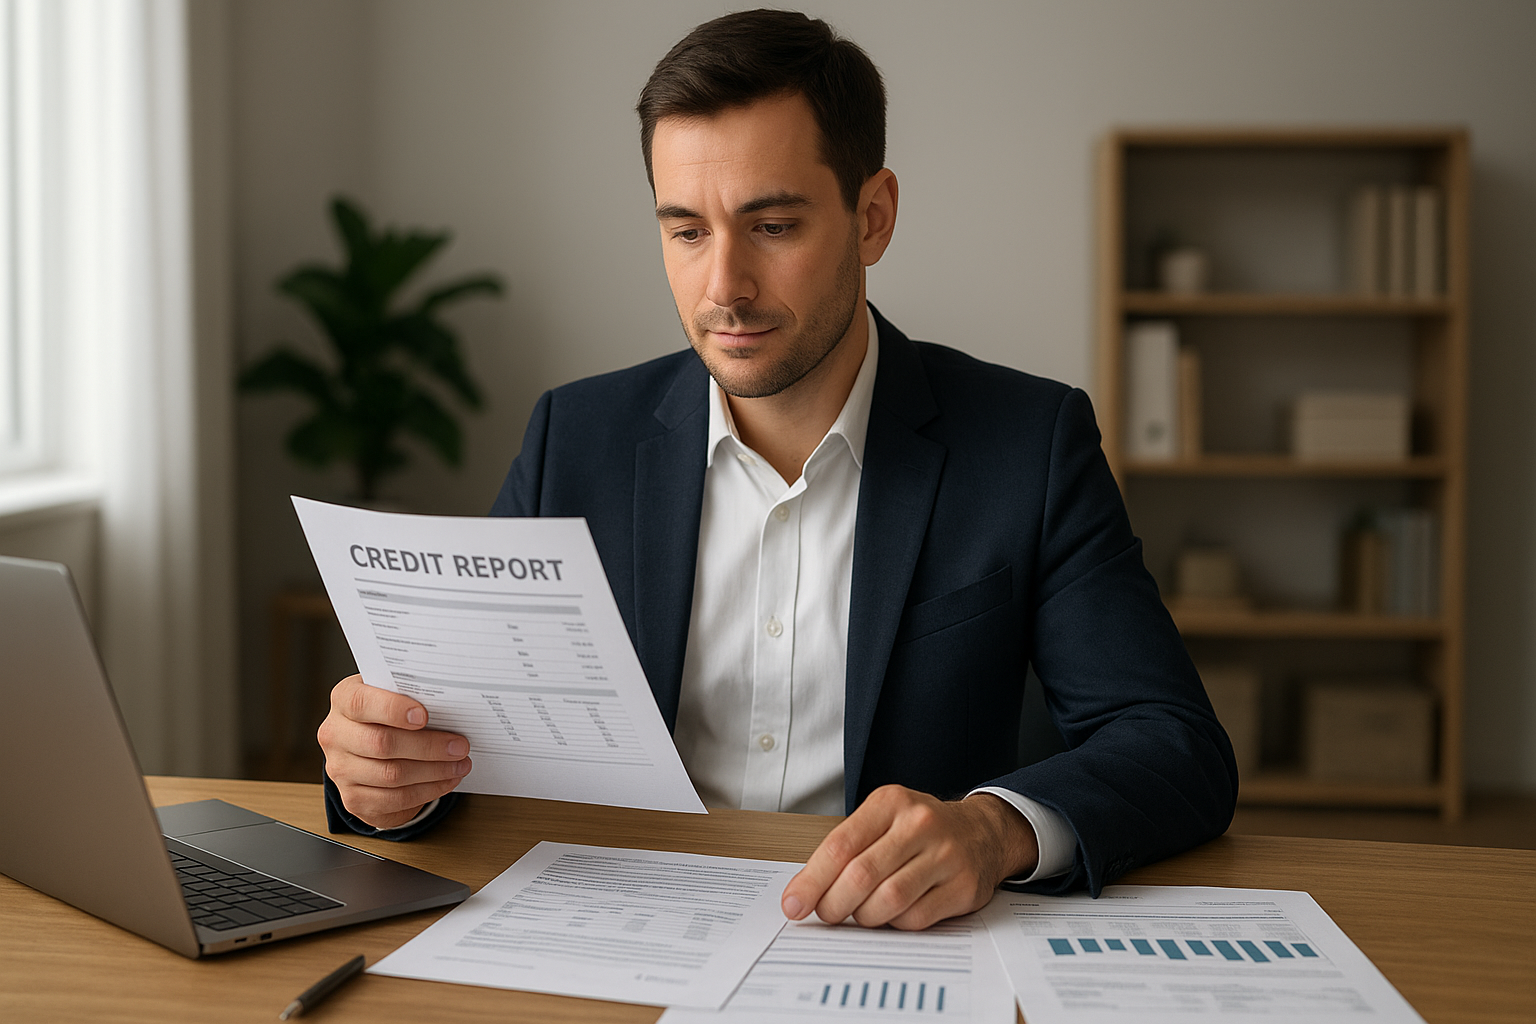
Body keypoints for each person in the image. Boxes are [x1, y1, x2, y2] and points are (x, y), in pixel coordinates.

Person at [317, 9, 1236, 931]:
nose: (724, 287)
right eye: (686, 231)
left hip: (894, 948)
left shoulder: (1029, 444)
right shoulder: (574, 437)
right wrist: (389, 778)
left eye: (773, 225)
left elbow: (1173, 745)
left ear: (871, 218)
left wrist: (991, 830)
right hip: (619, 936)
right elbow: (467, 734)